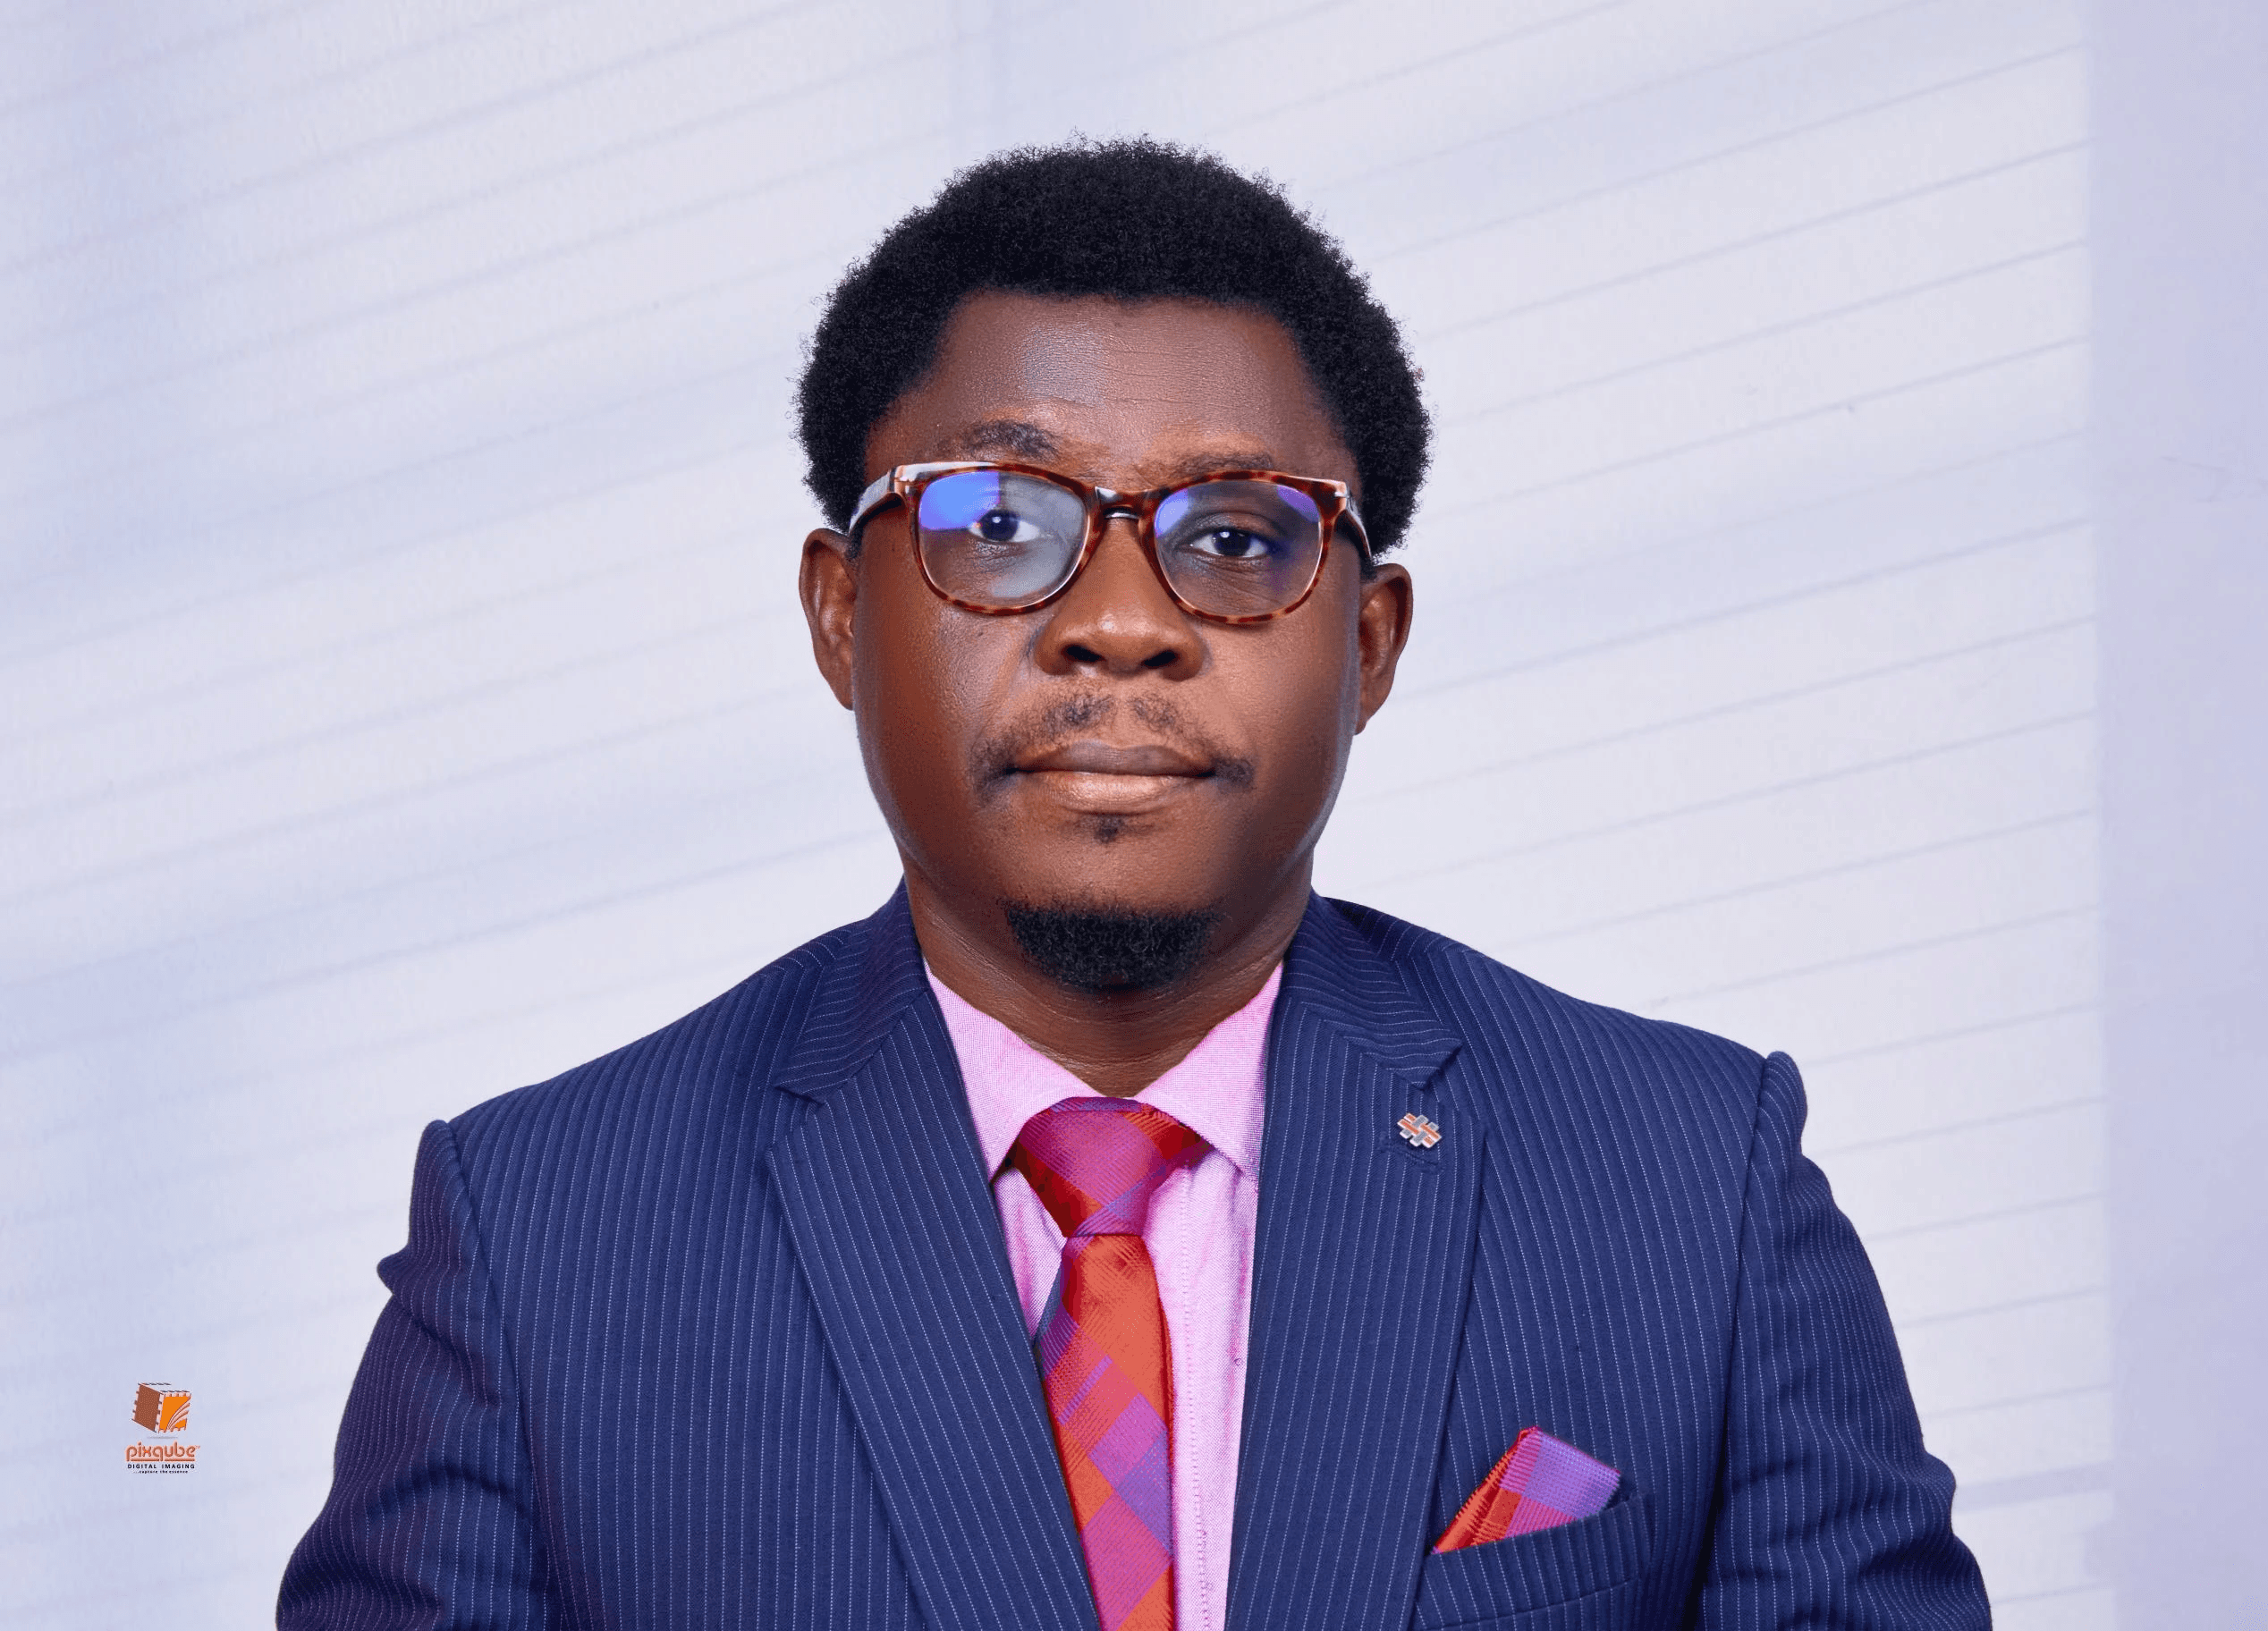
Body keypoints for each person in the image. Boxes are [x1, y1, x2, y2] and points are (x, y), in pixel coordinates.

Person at [278, 139, 1990, 1631]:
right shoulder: (543, 1241)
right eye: (998, 526)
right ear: (841, 616)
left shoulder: (1691, 1188)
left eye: (1235, 537)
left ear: (1370, 643)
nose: (1118, 621)